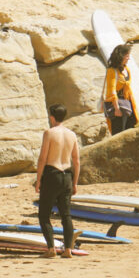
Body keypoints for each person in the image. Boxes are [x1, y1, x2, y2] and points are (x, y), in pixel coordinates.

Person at [35, 104, 79, 258]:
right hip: (67, 175)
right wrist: (75, 182)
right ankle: (68, 249)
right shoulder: (72, 135)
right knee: (66, 215)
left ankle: (51, 248)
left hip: (52, 174)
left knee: (44, 214)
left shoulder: (49, 133)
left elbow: (42, 158)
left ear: (52, 117)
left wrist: (38, 179)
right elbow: (76, 161)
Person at [104, 44, 139, 135]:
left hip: (128, 102)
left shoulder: (126, 69)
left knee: (131, 127)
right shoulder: (112, 71)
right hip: (116, 105)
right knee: (118, 131)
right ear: (121, 56)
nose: (129, 58)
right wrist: (117, 109)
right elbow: (112, 91)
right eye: (127, 56)